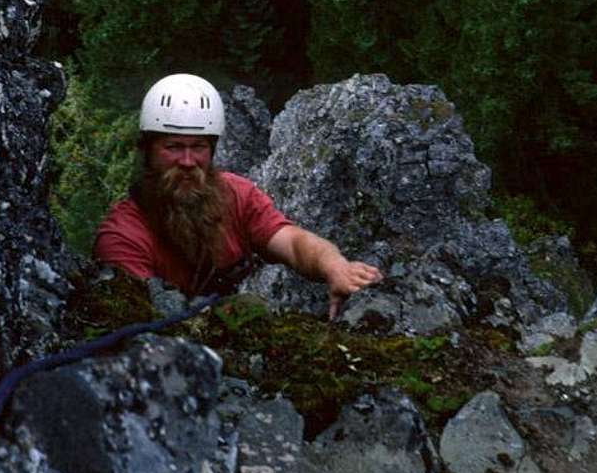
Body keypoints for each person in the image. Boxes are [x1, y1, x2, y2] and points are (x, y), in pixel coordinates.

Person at [93, 73, 382, 320]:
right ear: (148, 151)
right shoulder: (123, 236)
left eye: (199, 147)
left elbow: (293, 242)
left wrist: (334, 266)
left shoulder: (234, 194)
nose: (188, 161)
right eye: (173, 147)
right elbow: (137, 319)